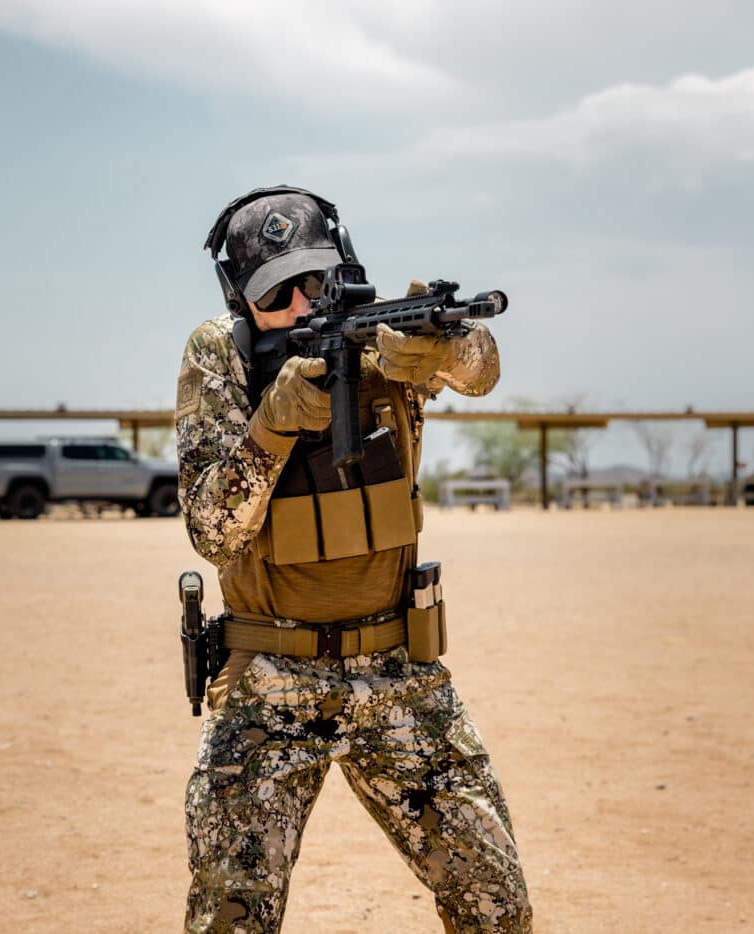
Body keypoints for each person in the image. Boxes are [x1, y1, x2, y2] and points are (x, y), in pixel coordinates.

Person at [176, 187, 531, 933]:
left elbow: (481, 368)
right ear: (241, 300)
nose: (305, 302)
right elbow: (213, 529)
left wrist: (445, 348)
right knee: (229, 919)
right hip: (269, 678)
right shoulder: (221, 353)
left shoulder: (388, 340)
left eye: (318, 278)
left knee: (495, 906)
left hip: (397, 668)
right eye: (279, 291)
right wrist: (272, 426)